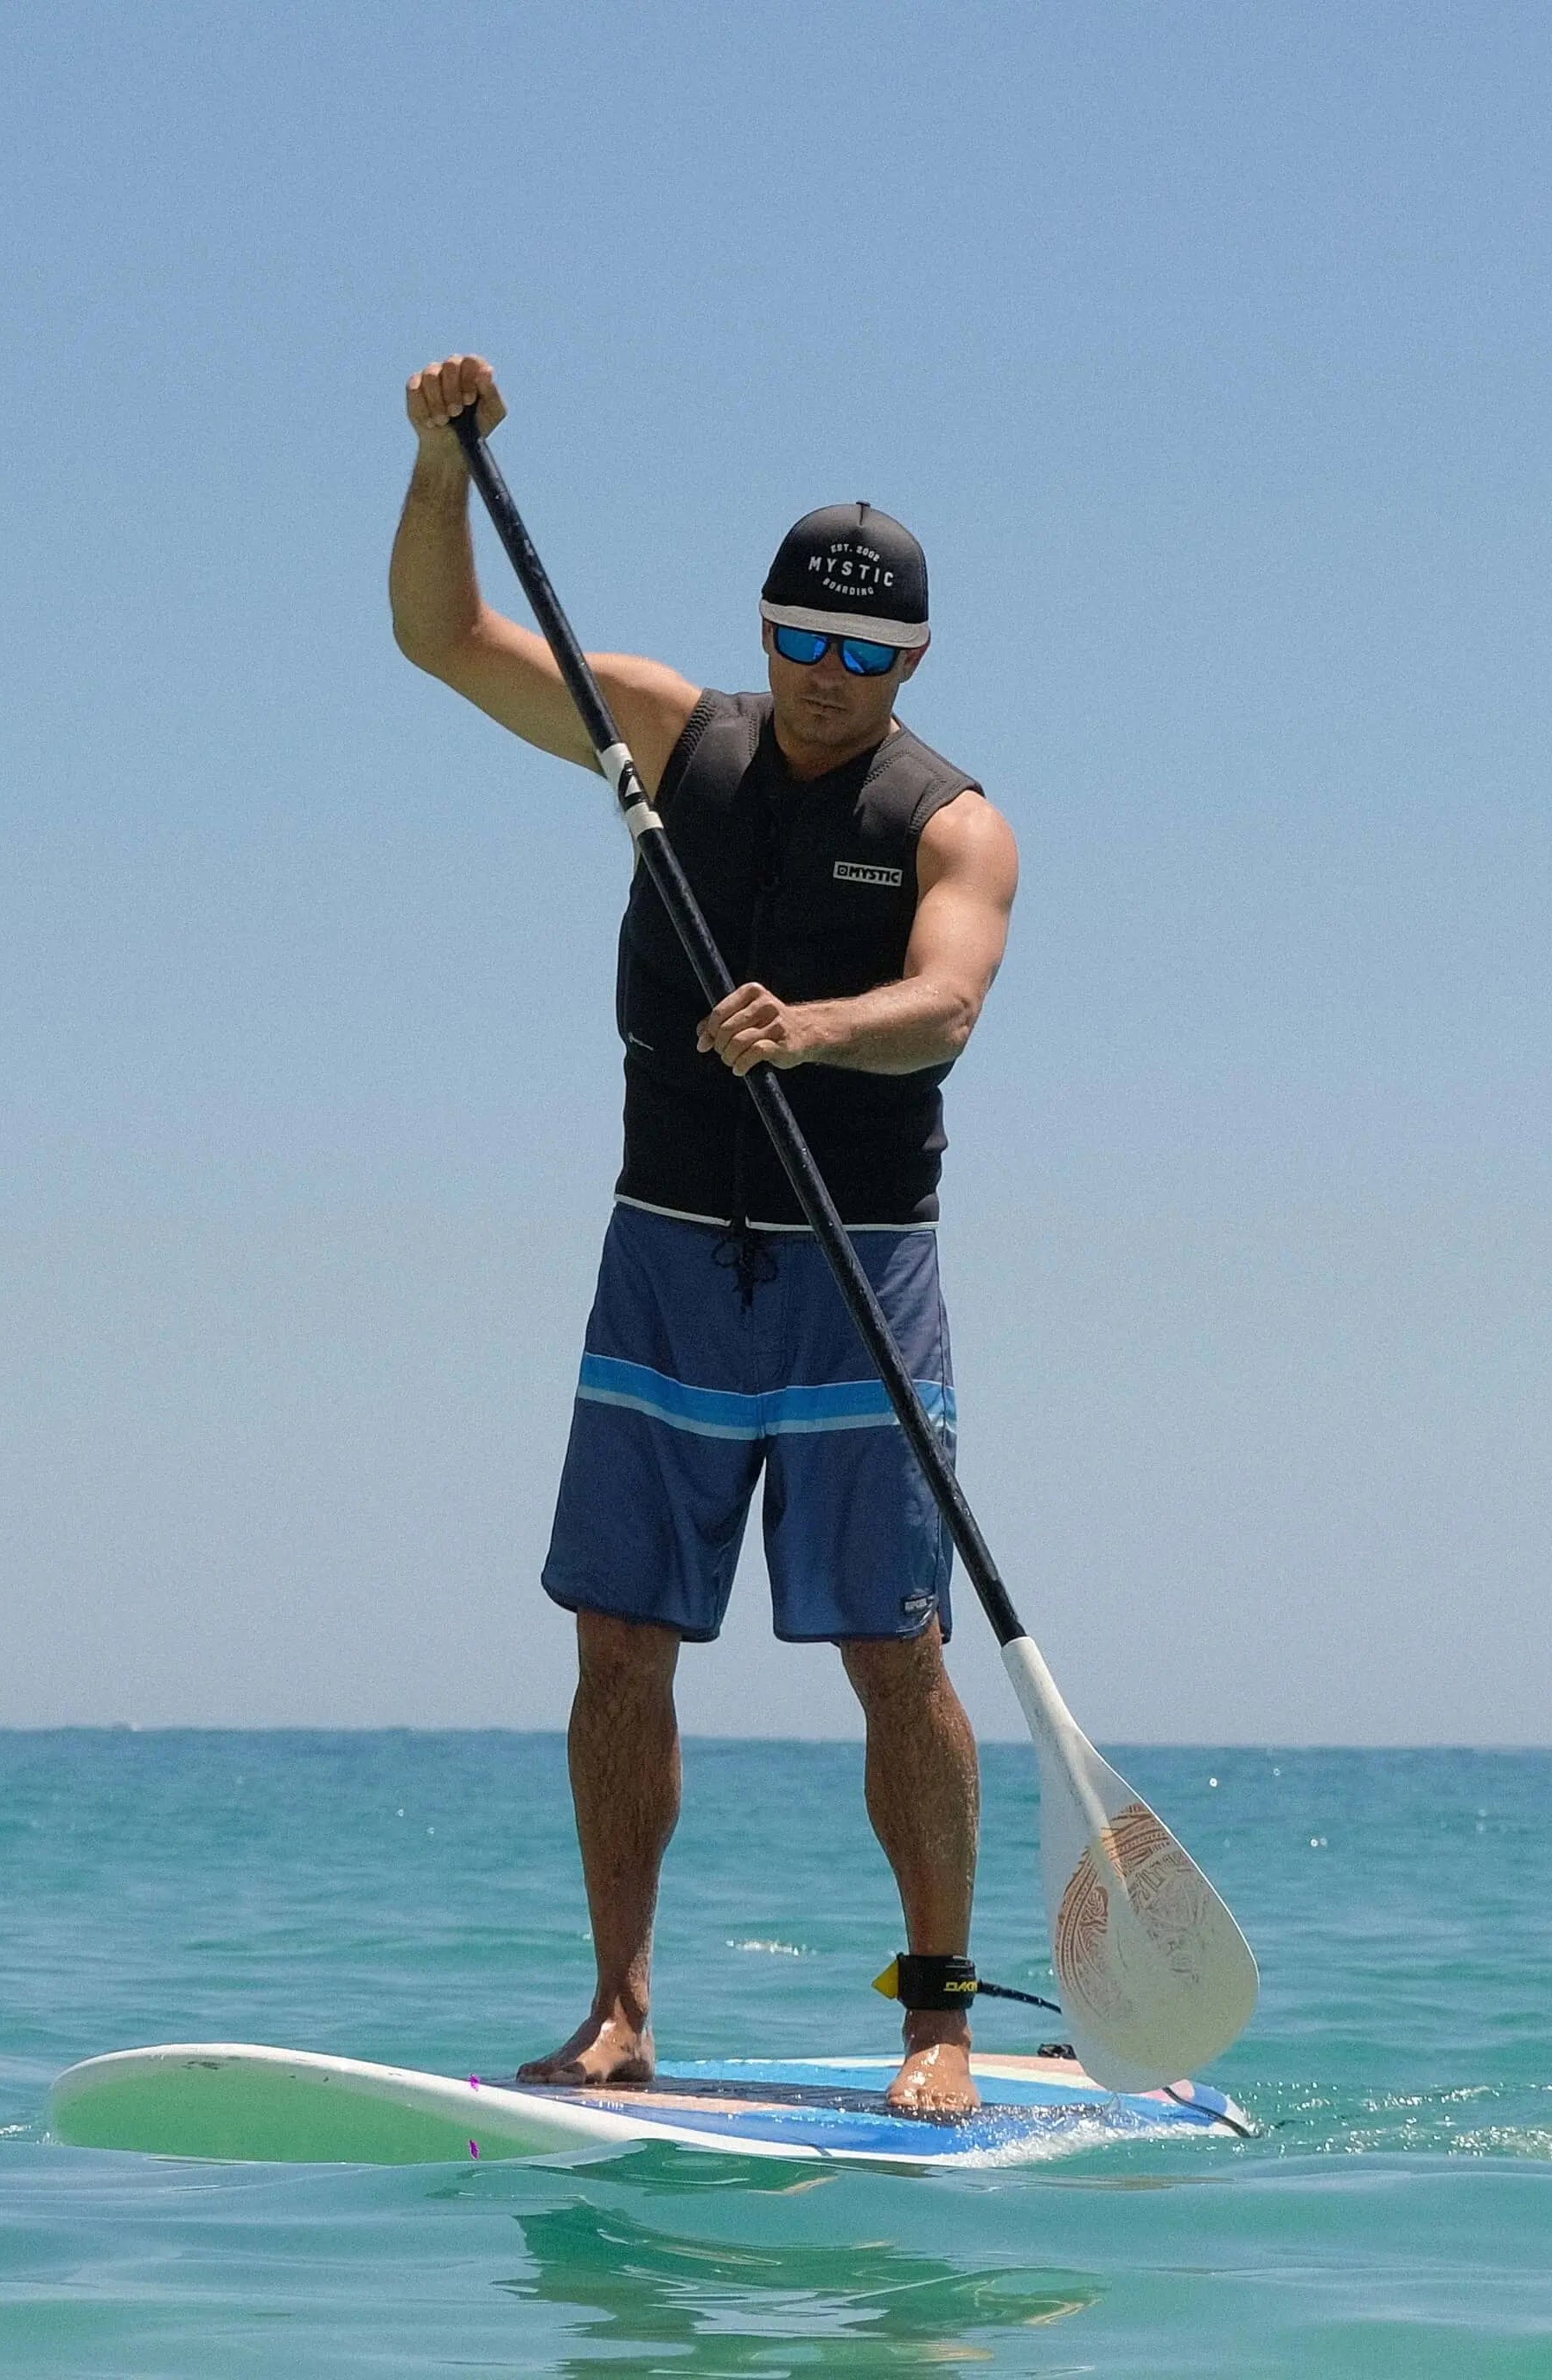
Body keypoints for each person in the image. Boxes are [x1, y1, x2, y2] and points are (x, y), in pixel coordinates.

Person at [390, 355, 1019, 2117]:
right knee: (613, 1642)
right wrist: (447, 470)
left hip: (853, 1275)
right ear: (764, 637)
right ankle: (614, 2008)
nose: (826, 681)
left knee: (891, 1657)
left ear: (909, 666)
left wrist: (811, 1028)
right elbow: (444, 640)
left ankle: (936, 2018)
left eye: (864, 657)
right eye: (803, 645)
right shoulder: (671, 738)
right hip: (663, 1258)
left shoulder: (951, 822)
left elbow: (947, 1002)